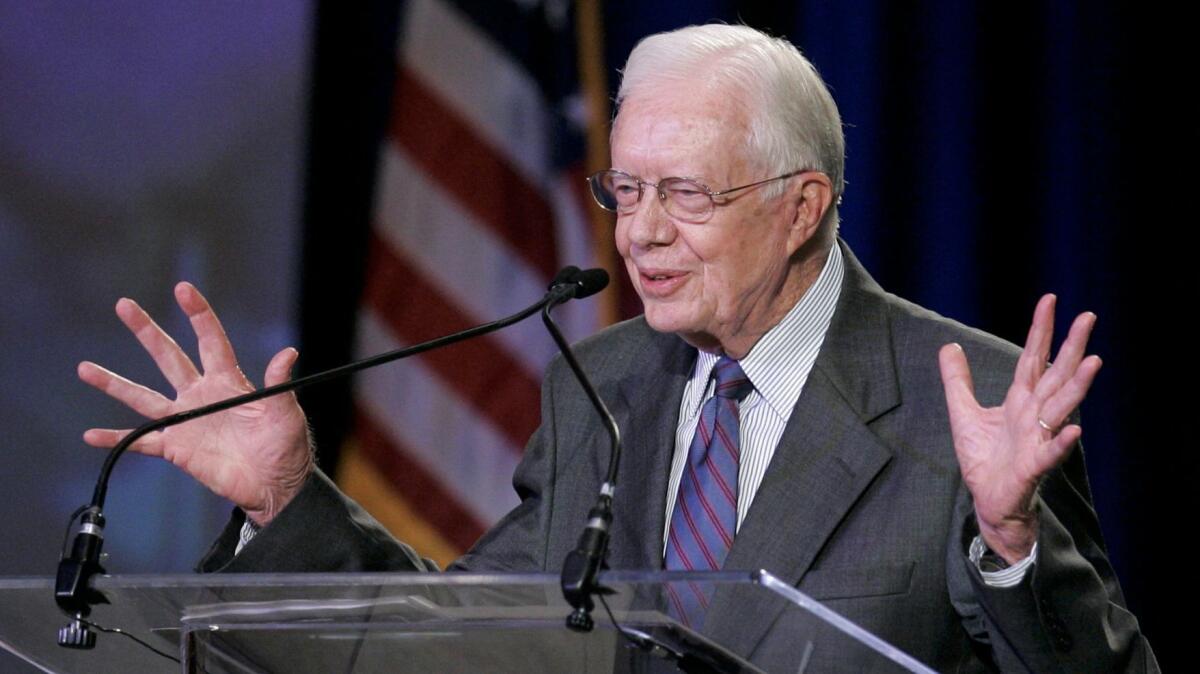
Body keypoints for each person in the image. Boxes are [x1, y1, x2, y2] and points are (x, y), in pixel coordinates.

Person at [79, 24, 1156, 672]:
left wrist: (1011, 541)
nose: (637, 231)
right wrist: (285, 493)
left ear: (801, 206)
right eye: (624, 188)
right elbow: (454, 640)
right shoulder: (603, 384)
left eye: (684, 194)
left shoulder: (969, 401)